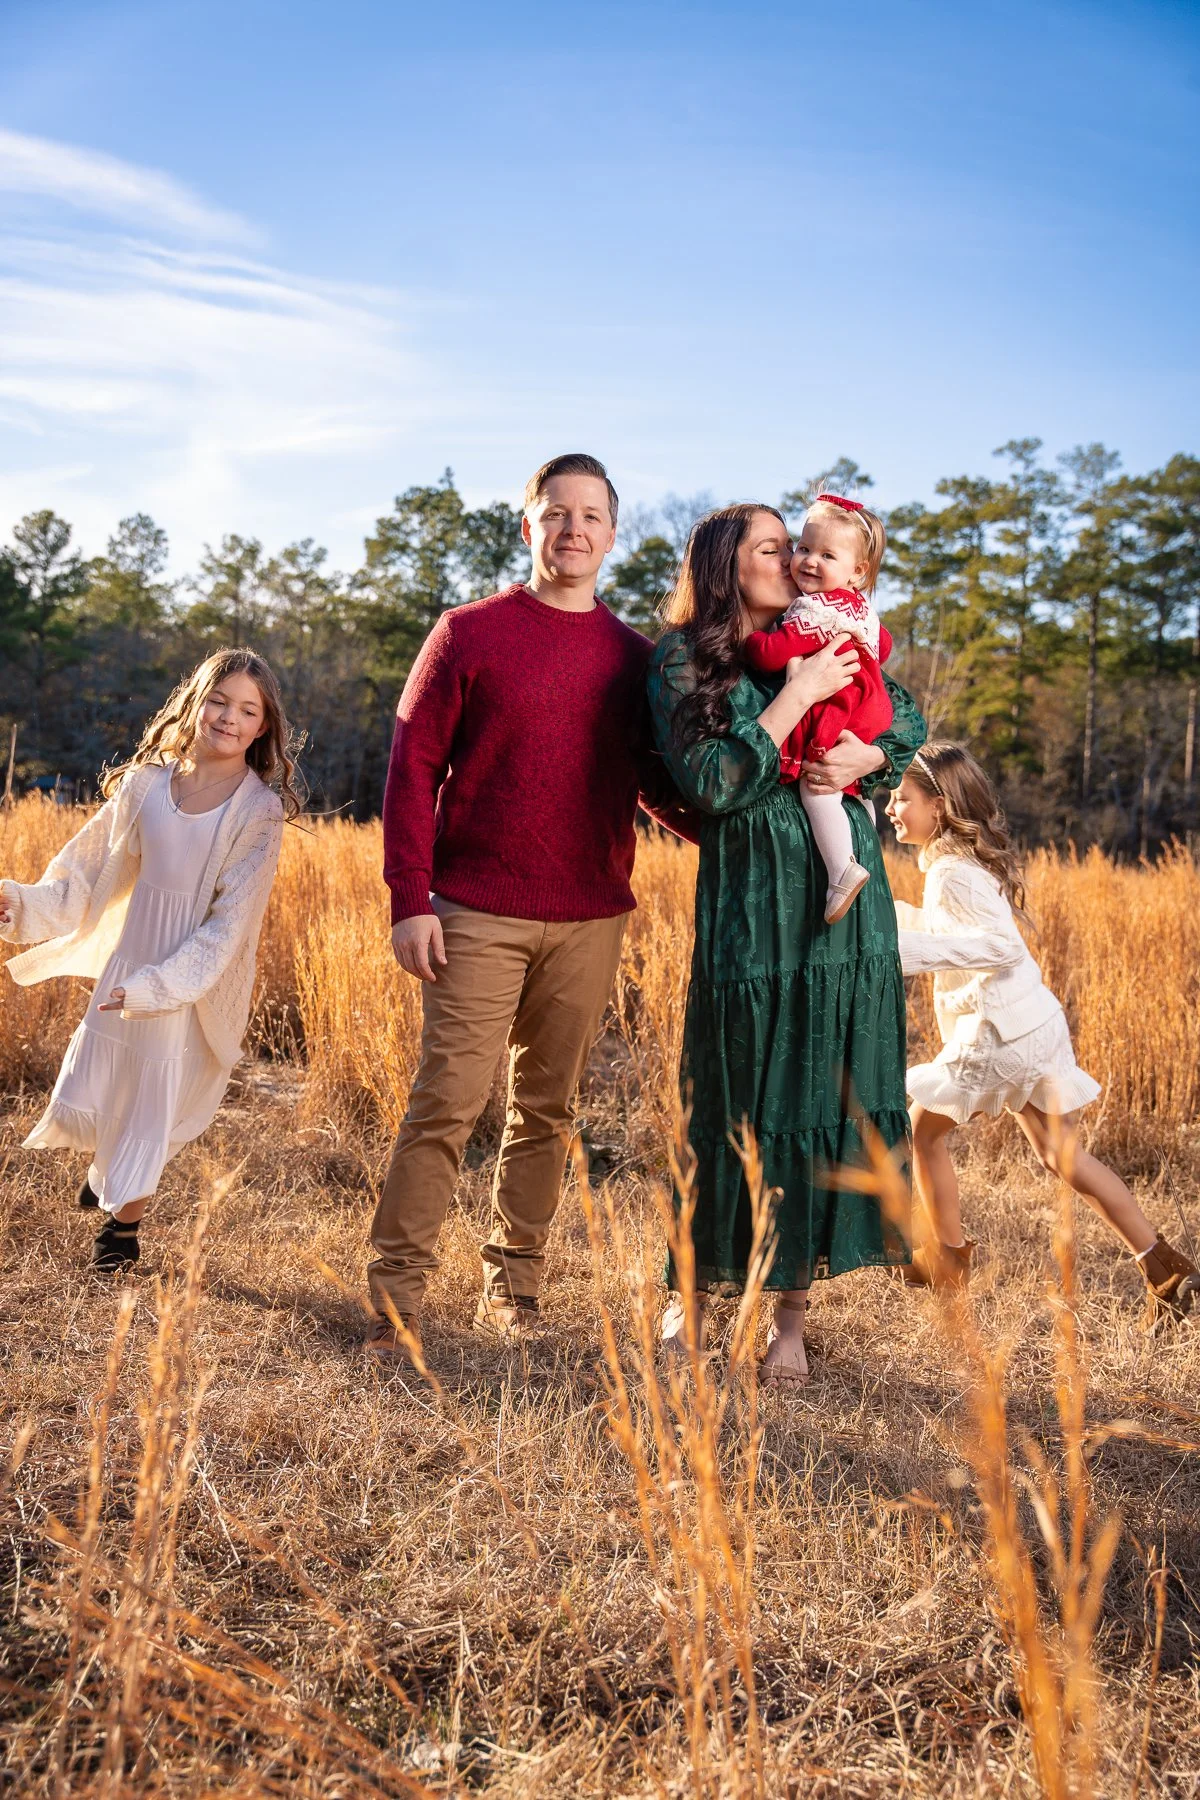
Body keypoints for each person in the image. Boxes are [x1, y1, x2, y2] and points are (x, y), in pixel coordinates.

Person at [366, 451, 694, 1362]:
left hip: (591, 914)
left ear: (613, 535)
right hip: (472, 909)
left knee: (545, 1111)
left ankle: (515, 1287)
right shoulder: (466, 634)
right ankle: (396, 1306)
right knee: (448, 1102)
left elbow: (660, 787)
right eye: (558, 514)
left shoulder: (634, 660)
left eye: (592, 516)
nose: (575, 529)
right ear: (529, 526)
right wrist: (409, 899)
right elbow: (411, 769)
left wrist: (739, 830)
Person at [646, 504, 927, 1385]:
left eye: (799, 547)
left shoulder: (831, 628)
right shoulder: (686, 657)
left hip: (842, 909)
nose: (797, 560)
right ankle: (692, 1298)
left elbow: (908, 717)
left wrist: (870, 761)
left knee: (817, 1093)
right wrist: (798, 699)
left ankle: (790, 1324)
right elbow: (711, 781)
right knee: (731, 1095)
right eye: (777, 548)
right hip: (750, 908)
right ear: (730, 564)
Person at [0, 650, 299, 1271]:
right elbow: (81, 874)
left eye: (248, 710)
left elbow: (227, 929)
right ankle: (111, 1172)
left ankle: (120, 1232)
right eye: (218, 701)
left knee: (153, 1101)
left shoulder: (257, 811)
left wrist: (159, 987)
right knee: (116, 1080)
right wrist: (21, 905)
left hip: (185, 979)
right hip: (129, 961)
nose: (228, 718)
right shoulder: (145, 785)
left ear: (263, 726)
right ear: (195, 701)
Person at [886, 741, 1199, 1319]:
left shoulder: (952, 871)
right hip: (1035, 1024)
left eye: (901, 797)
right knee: (1064, 1156)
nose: (890, 807)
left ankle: (950, 1260)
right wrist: (891, 920)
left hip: (998, 1032)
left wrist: (900, 948)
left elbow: (997, 946)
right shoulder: (962, 864)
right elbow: (956, 931)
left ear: (939, 804)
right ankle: (1163, 1266)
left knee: (924, 1132)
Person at [743, 494, 893, 922]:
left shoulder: (815, 610)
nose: (807, 561)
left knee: (817, 785)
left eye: (827, 554)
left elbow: (774, 655)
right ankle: (863, 838)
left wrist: (750, 642)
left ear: (858, 571)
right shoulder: (858, 606)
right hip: (868, 703)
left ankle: (842, 868)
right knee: (850, 784)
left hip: (843, 704)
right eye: (804, 548)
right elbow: (884, 646)